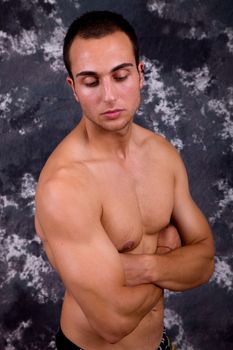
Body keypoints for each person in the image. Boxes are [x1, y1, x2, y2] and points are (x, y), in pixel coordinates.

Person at [35, 10, 215, 350]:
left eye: (120, 76)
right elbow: (112, 323)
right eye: (91, 81)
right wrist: (170, 258)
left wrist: (145, 266)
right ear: (73, 88)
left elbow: (205, 263)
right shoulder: (66, 185)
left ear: (141, 74)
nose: (109, 96)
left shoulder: (162, 154)